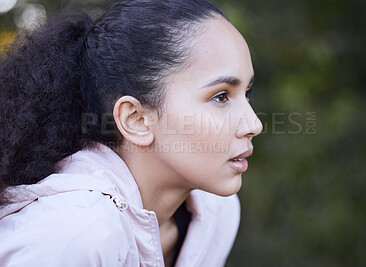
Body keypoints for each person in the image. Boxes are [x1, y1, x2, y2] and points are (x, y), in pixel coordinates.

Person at [0, 0, 263, 266]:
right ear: (136, 120)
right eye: (220, 96)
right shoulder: (76, 234)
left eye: (247, 93)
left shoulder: (215, 214)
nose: (254, 125)